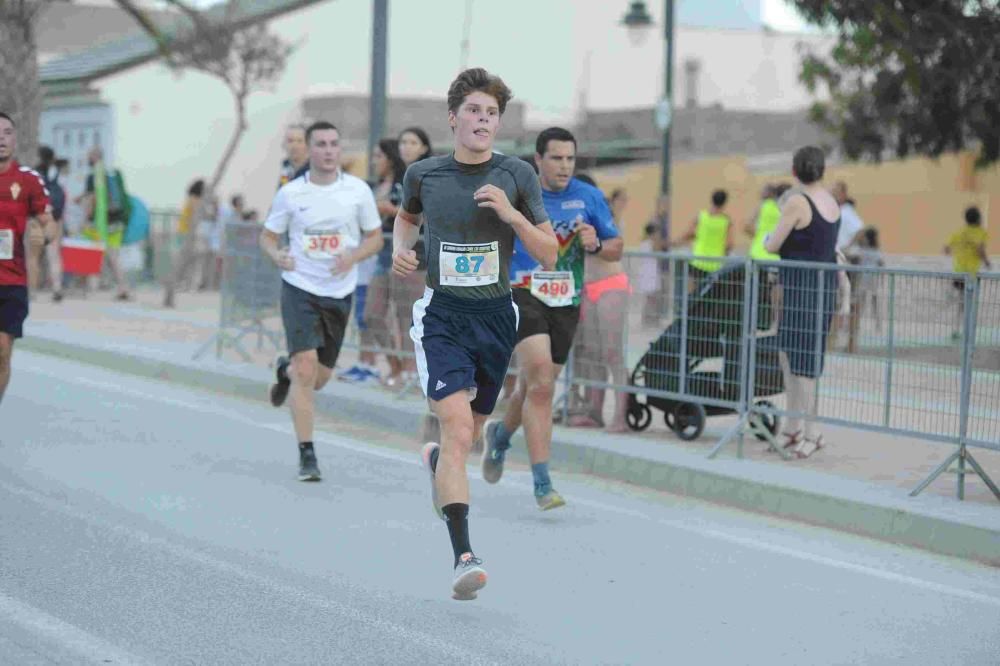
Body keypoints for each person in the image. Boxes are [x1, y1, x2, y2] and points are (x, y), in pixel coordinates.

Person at [391, 68, 557, 600]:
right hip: (442, 315)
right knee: (458, 429)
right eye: (474, 111)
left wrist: (510, 214)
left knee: (470, 434)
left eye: (491, 113)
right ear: (454, 117)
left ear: (498, 122)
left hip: (495, 318)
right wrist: (401, 249)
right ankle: (464, 555)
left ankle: (439, 463)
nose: (482, 120)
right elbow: (405, 218)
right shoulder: (425, 174)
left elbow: (551, 252)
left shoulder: (517, 176)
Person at [481, 127, 621, 510]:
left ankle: (501, 436)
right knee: (540, 379)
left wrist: (596, 243)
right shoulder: (520, 194)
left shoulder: (588, 197)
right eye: (556, 158)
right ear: (538, 160)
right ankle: (542, 482)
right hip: (522, 292)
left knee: (535, 386)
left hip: (565, 299)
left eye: (570, 159)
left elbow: (615, 248)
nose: (564, 166)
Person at [262, 120, 384, 481]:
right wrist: (278, 256)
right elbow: (267, 237)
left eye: (334, 144)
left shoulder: (357, 192)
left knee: (318, 378)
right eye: (321, 144)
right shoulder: (291, 194)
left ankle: (284, 370)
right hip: (299, 286)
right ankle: (307, 455)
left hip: (338, 292)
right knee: (306, 367)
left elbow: (375, 238)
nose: (328, 150)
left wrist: (353, 257)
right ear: (309, 150)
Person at [764, 145, 842, 459]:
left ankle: (813, 431)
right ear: (822, 170)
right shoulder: (832, 201)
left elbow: (772, 245)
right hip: (822, 289)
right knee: (792, 358)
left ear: (794, 172)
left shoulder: (797, 201)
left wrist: (768, 236)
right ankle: (792, 427)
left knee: (802, 364)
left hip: (801, 290)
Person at [568, 183, 634, 433]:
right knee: (593, 354)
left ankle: (621, 416)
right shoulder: (568, 217)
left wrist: (593, 242)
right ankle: (595, 412)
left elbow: (614, 249)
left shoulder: (600, 215)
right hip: (587, 288)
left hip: (609, 285)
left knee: (613, 355)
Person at [339, 138, 406, 385]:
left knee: (402, 317)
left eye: (379, 156)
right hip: (379, 255)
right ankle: (393, 364)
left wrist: (389, 210)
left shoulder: (402, 183)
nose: (375, 161)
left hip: (400, 255)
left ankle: (404, 370)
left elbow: (416, 216)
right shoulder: (377, 185)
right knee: (370, 315)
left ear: (390, 158)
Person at [0, 111, 54, 406]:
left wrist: (44, 235)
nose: (1, 138)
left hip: (11, 279)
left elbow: (50, 223)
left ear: (15, 139)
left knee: (3, 350)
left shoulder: (29, 180)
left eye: (7, 132)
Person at [390, 127, 435, 387]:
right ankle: (405, 367)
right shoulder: (401, 175)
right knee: (397, 315)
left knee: (416, 316)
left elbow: (421, 213)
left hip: (421, 257)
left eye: (412, 142)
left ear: (424, 147)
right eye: (403, 141)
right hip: (399, 252)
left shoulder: (428, 174)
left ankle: (416, 369)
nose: (406, 147)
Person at [79, 146, 131, 300]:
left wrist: (84, 220)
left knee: (92, 255)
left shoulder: (93, 176)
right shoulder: (112, 173)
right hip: (116, 221)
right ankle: (123, 287)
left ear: (95, 157)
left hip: (99, 223)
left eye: (89, 156)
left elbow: (91, 199)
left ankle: (92, 291)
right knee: (114, 257)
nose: (87, 159)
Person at [945, 206, 991, 340]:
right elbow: (980, 251)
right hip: (971, 275)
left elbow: (947, 249)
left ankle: (955, 329)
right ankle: (968, 331)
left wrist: (959, 252)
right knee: (969, 305)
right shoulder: (981, 232)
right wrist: (987, 263)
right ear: (978, 218)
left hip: (958, 273)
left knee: (961, 303)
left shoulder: (959, 232)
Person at [163, 179, 205, 307]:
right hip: (188, 233)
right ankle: (188, 283)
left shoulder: (190, 199)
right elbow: (196, 217)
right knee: (189, 259)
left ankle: (185, 283)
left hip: (184, 232)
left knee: (186, 259)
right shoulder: (195, 200)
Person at [34, 145, 66, 302]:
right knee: (54, 253)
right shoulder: (58, 170)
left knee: (35, 254)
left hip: (41, 215)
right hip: (57, 215)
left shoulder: (36, 171)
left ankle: (31, 290)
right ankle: (57, 287)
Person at [681, 189, 733, 279]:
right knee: (712, 292)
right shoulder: (726, 221)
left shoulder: (701, 216)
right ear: (724, 203)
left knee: (692, 292)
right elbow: (729, 244)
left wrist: (678, 242)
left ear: (711, 200)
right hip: (716, 263)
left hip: (697, 260)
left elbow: (689, 233)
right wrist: (725, 254)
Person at [854, 227, 884, 330]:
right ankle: (878, 324)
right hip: (873, 277)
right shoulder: (876, 251)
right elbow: (881, 263)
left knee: (861, 300)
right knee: (874, 301)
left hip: (864, 276)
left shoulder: (862, 250)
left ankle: (857, 322)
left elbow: (857, 261)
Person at [278, 124, 309, 189]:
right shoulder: (286, 167)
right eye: (290, 141)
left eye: (299, 141)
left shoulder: (314, 171)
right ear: (284, 144)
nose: (294, 146)